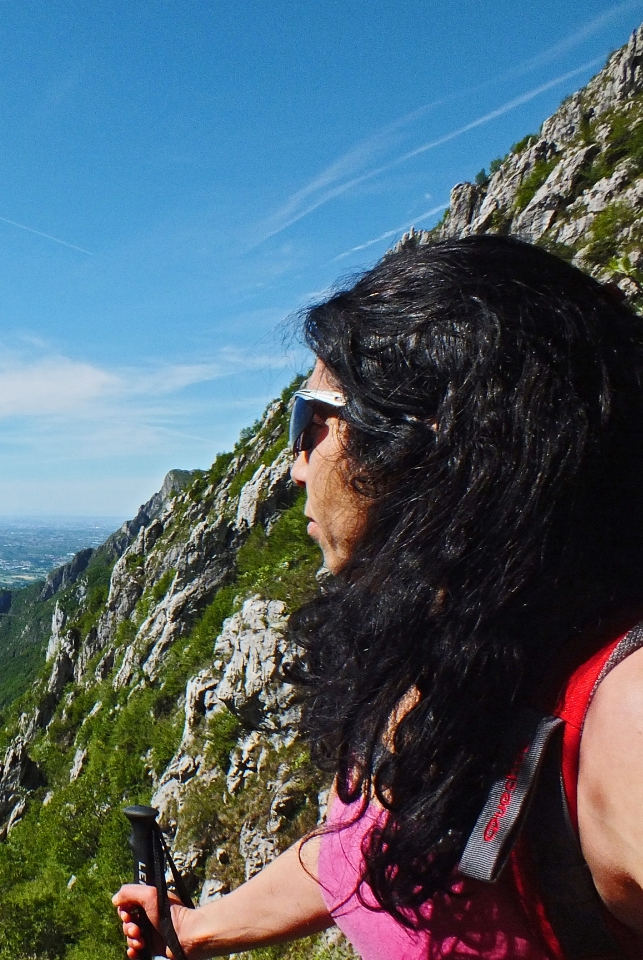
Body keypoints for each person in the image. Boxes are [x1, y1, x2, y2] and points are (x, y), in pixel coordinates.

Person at [114, 235, 643, 959]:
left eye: (308, 425)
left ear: (420, 445)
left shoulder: (621, 718)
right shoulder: (439, 648)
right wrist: (196, 927)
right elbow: (360, 851)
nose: (294, 470)